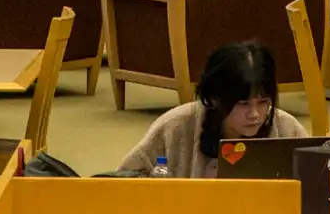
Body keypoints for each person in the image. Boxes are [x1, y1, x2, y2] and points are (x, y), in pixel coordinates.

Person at [118, 42, 307, 177]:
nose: (255, 114)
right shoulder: (175, 126)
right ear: (214, 99)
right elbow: (123, 179)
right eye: (243, 103)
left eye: (263, 102)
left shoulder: (287, 128)